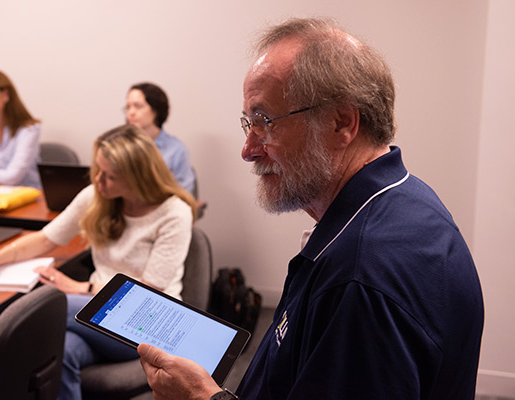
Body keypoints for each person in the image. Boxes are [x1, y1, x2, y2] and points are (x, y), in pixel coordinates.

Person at [137, 17, 484, 400]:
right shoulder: (404, 201)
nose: (248, 150)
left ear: (341, 124)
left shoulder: (360, 277)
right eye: (247, 124)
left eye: (264, 122)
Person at [0, 124, 196, 399]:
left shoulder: (174, 213)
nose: (98, 180)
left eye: (110, 176)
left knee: (53, 306)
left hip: (150, 322)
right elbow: (45, 239)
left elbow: (150, 289)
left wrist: (83, 288)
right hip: (97, 317)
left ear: (138, 178)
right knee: (59, 352)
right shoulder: (98, 196)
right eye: (97, 169)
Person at [125, 82, 196, 196]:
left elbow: (185, 192)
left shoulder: (176, 149)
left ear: (155, 110)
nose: (131, 113)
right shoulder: (121, 145)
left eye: (138, 106)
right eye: (128, 107)